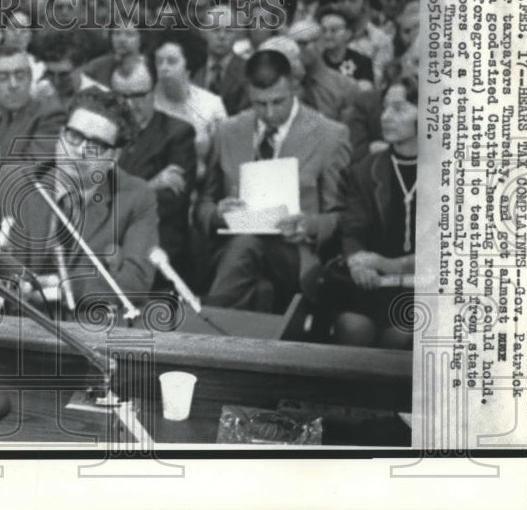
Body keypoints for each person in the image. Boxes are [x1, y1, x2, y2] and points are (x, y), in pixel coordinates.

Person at [0, 88, 159, 305]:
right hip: (10, 323)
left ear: (114, 156)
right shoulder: (14, 181)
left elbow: (136, 283)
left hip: (85, 328)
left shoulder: (135, 197)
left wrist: (66, 287)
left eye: (96, 145)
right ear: (61, 135)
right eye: (74, 136)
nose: (81, 150)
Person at [196, 50, 351, 312]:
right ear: (248, 92)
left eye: (278, 102)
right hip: (232, 252)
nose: (269, 113)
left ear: (294, 87)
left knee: (249, 242)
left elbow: (341, 217)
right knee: (258, 284)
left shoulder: (330, 135)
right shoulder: (227, 132)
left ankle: (208, 322)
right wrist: (218, 214)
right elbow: (203, 205)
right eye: (259, 104)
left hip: (294, 254)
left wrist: (308, 224)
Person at [302, 75, 417, 349]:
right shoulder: (367, 169)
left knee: (399, 335)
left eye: (399, 109)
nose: (386, 117)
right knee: (353, 328)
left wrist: (389, 264)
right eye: (385, 107)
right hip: (374, 285)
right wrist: (356, 262)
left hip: (421, 289)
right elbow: (353, 228)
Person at [113, 56, 197, 281]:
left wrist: (114, 201)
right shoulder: (105, 136)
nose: (130, 105)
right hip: (105, 239)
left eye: (139, 96)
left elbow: (170, 202)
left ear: (154, 92)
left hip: (156, 242)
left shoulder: (178, 133)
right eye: (122, 97)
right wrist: (151, 184)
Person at [0, 44, 66, 170]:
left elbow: (28, 172)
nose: (13, 85)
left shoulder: (50, 117)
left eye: (20, 75)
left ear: (30, 79)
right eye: (2, 77)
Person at [151, 32, 226, 162]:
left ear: (188, 66)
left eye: (171, 61)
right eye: (159, 62)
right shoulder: (147, 104)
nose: (163, 68)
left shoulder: (211, 104)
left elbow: (225, 153)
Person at [336, 0, 394, 84]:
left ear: (365, 4)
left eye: (352, 0)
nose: (346, 5)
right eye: (342, 0)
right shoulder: (330, 35)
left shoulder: (380, 40)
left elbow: (376, 80)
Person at [318, 5, 376, 90]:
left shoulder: (362, 62)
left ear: (348, 33)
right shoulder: (315, 60)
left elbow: (365, 95)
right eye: (324, 30)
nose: (327, 35)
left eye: (334, 30)